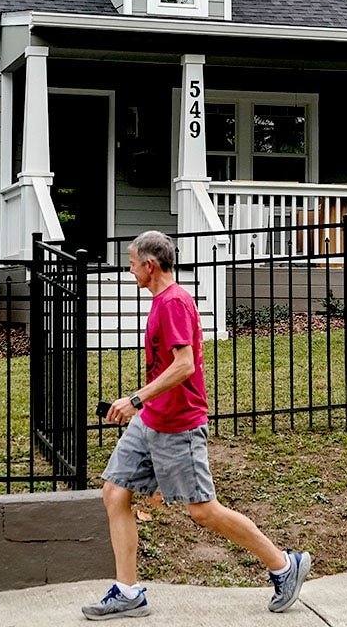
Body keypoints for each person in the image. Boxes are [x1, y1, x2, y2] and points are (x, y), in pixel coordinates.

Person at [82, 230, 311, 621]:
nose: (130, 268)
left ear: (150, 265)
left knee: (203, 511)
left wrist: (136, 399)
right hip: (151, 419)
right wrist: (142, 407)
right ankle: (128, 591)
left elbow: (184, 365)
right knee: (114, 492)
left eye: (132, 262)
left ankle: (284, 566)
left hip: (178, 425)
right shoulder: (161, 301)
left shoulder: (173, 303)